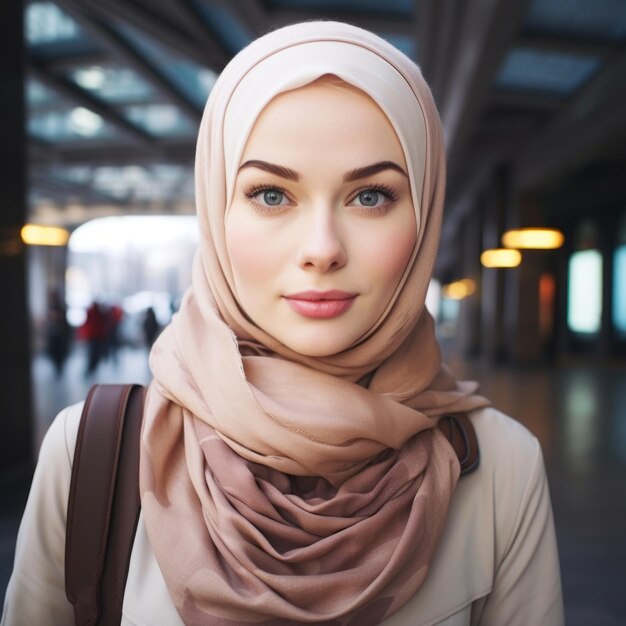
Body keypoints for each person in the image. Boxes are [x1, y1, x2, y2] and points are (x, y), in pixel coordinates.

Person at [1, 21, 564, 625]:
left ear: (423, 217)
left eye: (370, 196)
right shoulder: (96, 452)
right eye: (271, 195)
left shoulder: (500, 468)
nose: (322, 249)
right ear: (217, 210)